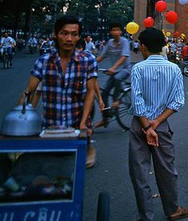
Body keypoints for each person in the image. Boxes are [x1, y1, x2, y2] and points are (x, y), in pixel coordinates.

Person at [128, 27, 188, 221]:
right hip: (161, 126)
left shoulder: (138, 68)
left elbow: (136, 101)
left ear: (143, 47)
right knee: (166, 170)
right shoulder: (174, 69)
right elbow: (177, 102)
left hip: (139, 126)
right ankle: (172, 209)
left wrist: (147, 126)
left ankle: (146, 216)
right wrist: (156, 123)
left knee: (139, 172)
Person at [18, 15, 98, 167]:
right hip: (50, 125)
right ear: (56, 34)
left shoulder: (88, 60)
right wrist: (19, 118)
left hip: (77, 124)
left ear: (79, 37)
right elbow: (29, 91)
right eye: (64, 33)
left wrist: (83, 123)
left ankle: (89, 147)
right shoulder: (43, 61)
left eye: (74, 34)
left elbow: (90, 92)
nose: (69, 39)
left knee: (74, 171)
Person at [95, 22, 131, 128]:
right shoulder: (110, 43)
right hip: (114, 71)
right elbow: (102, 56)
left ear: (121, 31)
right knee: (103, 94)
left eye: (117, 30)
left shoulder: (124, 41)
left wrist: (114, 68)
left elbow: (124, 56)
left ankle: (117, 100)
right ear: (110, 32)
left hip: (125, 70)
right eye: (113, 30)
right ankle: (105, 119)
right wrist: (90, 64)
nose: (115, 32)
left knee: (116, 78)